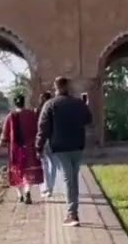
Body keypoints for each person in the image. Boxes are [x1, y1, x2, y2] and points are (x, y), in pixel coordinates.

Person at [36, 76, 93, 227]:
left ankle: (72, 214)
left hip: (60, 146)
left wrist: (38, 147)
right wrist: (85, 106)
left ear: (56, 87)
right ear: (68, 87)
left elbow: (43, 128)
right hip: (77, 145)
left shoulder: (50, 104)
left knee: (69, 179)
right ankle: (73, 210)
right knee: (73, 178)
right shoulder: (78, 104)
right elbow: (88, 120)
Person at [0, 95, 44, 204]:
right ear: (24, 102)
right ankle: (27, 191)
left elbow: (4, 134)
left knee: (16, 172)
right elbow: (39, 130)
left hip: (15, 149)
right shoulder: (32, 115)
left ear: (15, 103)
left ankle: (20, 195)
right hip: (30, 148)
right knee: (29, 171)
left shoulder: (10, 116)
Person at [35, 91, 57, 198]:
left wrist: (38, 143)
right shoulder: (55, 109)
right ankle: (51, 187)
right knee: (53, 164)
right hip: (53, 139)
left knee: (44, 165)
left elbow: (38, 128)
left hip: (43, 139)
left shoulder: (38, 111)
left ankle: (46, 187)